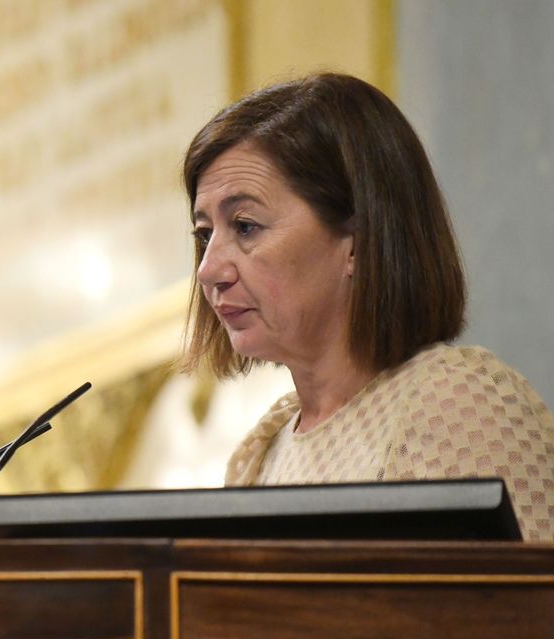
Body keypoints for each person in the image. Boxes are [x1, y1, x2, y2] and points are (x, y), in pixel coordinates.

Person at [180, 72, 554, 542]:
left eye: (246, 226)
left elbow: (526, 611)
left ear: (357, 239)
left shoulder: (456, 404)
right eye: (203, 234)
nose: (209, 269)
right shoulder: (259, 455)